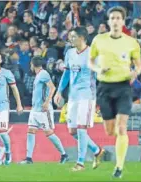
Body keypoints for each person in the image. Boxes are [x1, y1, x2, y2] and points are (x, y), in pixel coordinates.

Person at [88, 6, 141, 178]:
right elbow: (90, 61)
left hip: (123, 87)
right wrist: (98, 69)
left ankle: (119, 167)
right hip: (104, 87)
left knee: (121, 128)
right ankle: (113, 157)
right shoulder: (99, 40)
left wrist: (136, 72)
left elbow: (139, 64)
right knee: (110, 131)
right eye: (112, 18)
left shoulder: (131, 42)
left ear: (123, 21)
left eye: (118, 18)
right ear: (109, 21)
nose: (115, 21)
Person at [54, 27, 104, 171]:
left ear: (82, 37)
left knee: (82, 128)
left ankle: (80, 163)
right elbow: (66, 74)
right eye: (70, 36)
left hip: (87, 95)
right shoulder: (69, 53)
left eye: (73, 36)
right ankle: (97, 150)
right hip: (73, 95)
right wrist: (59, 91)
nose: (71, 39)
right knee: (72, 131)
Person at [20, 56, 68, 164]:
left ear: (32, 64)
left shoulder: (44, 74)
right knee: (30, 131)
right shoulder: (38, 75)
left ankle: (64, 154)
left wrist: (47, 102)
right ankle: (28, 158)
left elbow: (52, 88)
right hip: (35, 109)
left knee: (49, 132)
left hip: (43, 110)